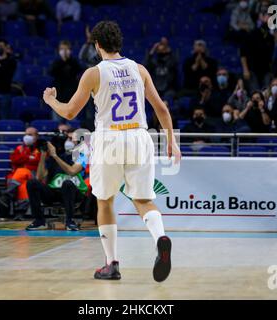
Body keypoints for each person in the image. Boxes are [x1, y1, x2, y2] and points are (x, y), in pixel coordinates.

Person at [42, 21, 181, 282]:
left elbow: (70, 112)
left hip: (110, 139)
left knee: (105, 201)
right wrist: (172, 141)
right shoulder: (139, 69)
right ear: (120, 43)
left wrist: (50, 100)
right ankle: (160, 237)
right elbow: (161, 109)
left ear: (97, 45)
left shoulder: (94, 73)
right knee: (143, 200)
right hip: (140, 136)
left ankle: (111, 264)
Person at [26, 131, 88, 231]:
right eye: (67, 139)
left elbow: (72, 171)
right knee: (32, 183)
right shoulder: (50, 158)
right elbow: (39, 177)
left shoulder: (82, 156)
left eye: (70, 139)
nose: (69, 141)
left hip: (74, 193)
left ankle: (70, 221)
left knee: (67, 184)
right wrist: (43, 154)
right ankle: (39, 220)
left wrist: (55, 156)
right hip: (53, 193)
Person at [0, 127, 42, 218]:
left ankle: (8, 193)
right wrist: (29, 158)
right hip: (20, 179)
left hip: (35, 174)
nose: (27, 137)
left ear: (37, 136)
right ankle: (20, 213)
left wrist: (24, 159)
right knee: (23, 185)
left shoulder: (41, 148)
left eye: (30, 135)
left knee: (21, 171)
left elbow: (38, 162)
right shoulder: (20, 148)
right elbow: (14, 160)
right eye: (26, 134)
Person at [48, 41, 83, 106]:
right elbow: (51, 72)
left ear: (70, 50)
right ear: (59, 51)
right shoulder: (56, 62)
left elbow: (79, 70)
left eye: (66, 49)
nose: (64, 51)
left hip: (71, 94)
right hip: (58, 94)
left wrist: (67, 59)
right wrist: (63, 61)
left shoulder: (73, 62)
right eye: (62, 49)